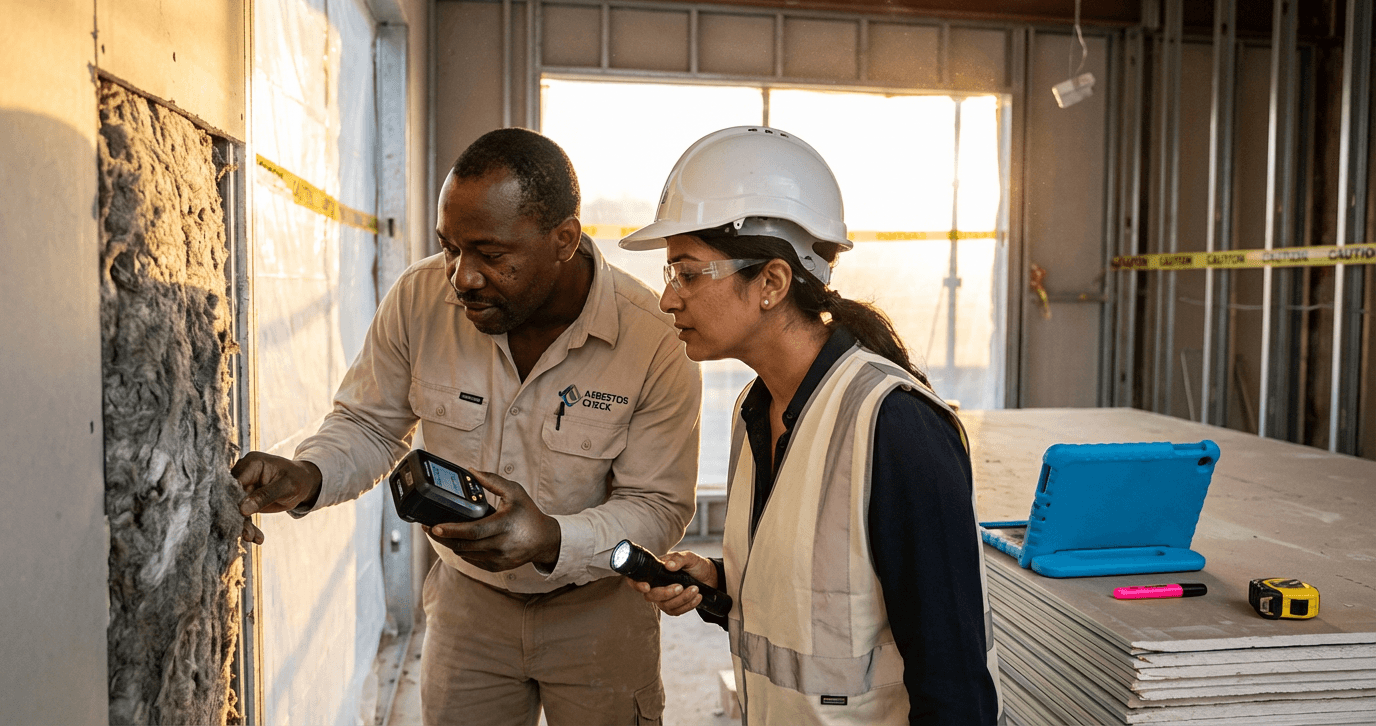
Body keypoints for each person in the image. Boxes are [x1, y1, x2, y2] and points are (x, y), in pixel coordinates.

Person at [232, 128, 700, 726]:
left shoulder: (654, 337)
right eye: (450, 248)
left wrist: (551, 539)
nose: (462, 277)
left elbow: (656, 505)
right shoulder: (419, 299)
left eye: (491, 254)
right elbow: (370, 425)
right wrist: (307, 473)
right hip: (467, 608)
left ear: (564, 240)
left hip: (600, 612)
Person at [618, 126, 1001, 725]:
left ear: (770, 282)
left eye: (687, 273)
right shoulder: (754, 409)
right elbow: (826, 610)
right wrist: (719, 584)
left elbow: (954, 684)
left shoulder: (895, 428)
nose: (669, 300)